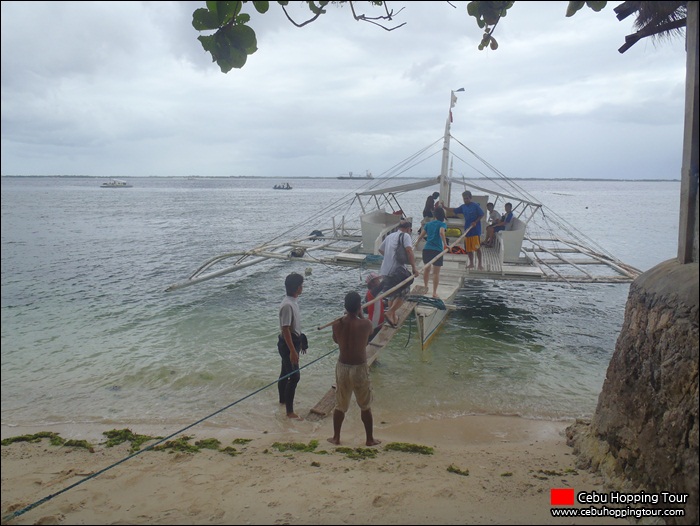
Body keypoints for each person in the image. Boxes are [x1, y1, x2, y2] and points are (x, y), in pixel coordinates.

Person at [328, 291, 381, 447]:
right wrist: (361, 315)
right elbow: (369, 335)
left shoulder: (337, 324)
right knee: (365, 405)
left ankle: (336, 437)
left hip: (342, 367)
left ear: (345, 306)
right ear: (359, 307)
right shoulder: (365, 324)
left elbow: (336, 340)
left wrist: (346, 317)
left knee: (340, 404)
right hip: (359, 368)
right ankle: (369, 439)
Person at [378, 219, 419, 328]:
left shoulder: (390, 236)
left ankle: (393, 316)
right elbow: (409, 251)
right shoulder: (405, 236)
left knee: (393, 293)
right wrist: (414, 268)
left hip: (385, 270)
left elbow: (380, 249)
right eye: (410, 230)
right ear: (407, 229)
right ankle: (390, 312)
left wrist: (389, 257)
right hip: (396, 270)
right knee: (405, 291)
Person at [277, 272, 307, 420]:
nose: (302, 288)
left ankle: (283, 400)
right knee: (294, 377)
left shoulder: (293, 301)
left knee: (284, 372)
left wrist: (301, 342)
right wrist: (292, 351)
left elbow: (294, 327)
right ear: (296, 288)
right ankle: (289, 411)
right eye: (301, 285)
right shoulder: (287, 305)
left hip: (293, 341)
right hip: (287, 344)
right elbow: (285, 329)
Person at [416, 206, 448, 298]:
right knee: (436, 273)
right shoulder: (442, 224)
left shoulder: (429, 224)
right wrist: (445, 244)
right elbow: (442, 233)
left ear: (434, 215)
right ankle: (434, 292)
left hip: (427, 249)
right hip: (437, 250)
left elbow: (421, 236)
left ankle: (426, 287)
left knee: (426, 269)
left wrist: (416, 244)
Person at [452, 190, 484, 270]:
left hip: (475, 231)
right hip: (467, 231)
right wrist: (444, 207)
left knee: (477, 248)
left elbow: (481, 214)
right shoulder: (463, 207)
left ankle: (480, 264)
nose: (465, 200)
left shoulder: (475, 206)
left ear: (470, 198)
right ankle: (471, 263)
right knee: (468, 249)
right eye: (464, 199)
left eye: (467, 198)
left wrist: (475, 222)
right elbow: (454, 210)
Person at [364, 272, 385, 341]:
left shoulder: (371, 293)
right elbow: (383, 284)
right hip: (374, 325)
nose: (379, 281)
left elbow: (366, 310)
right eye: (377, 280)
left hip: (377, 324)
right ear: (372, 283)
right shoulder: (372, 292)